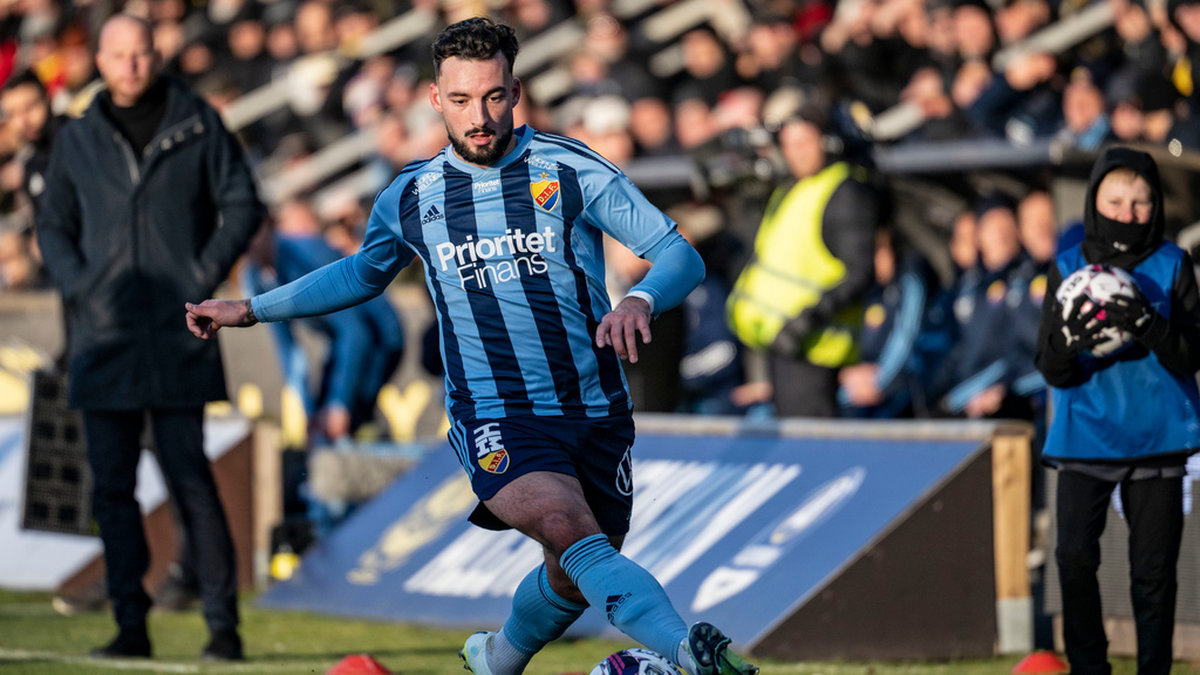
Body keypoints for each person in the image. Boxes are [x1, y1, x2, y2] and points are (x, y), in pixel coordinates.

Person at [185, 17, 757, 675]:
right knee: (567, 527)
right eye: (460, 100)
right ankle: (691, 654)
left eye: (491, 97)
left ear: (515, 93)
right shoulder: (412, 194)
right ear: (436, 99)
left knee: (573, 572)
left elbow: (679, 254)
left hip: (594, 408)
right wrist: (250, 309)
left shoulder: (569, 170)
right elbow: (361, 273)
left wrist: (640, 299)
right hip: (495, 411)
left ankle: (496, 658)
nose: (478, 117)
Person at [35, 14, 263, 661]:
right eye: (119, 55)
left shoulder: (198, 122)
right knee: (112, 489)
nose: (131, 65)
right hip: (102, 338)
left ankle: (223, 627)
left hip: (178, 330)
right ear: (100, 61)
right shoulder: (77, 137)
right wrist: (82, 286)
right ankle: (129, 625)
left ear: (157, 55)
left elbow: (244, 203)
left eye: (141, 53)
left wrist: (199, 274)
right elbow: (52, 225)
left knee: (190, 477)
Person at [1034, 147, 1200, 675]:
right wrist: (1067, 345)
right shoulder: (1068, 267)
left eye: (1140, 202)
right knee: (1073, 558)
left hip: (1158, 437)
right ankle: (1090, 668)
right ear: (1094, 202)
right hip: (1085, 435)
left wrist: (1150, 326)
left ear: (1156, 206)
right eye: (1115, 202)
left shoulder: (1173, 264)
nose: (1127, 214)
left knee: (1153, 573)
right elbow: (1052, 369)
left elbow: (1191, 356)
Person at [726, 105, 882, 417]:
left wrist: (803, 323)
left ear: (826, 142)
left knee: (809, 437)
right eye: (789, 145)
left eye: (804, 143)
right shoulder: (794, 187)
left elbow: (860, 272)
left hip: (814, 346)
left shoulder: (844, 192)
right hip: (783, 343)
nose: (796, 153)